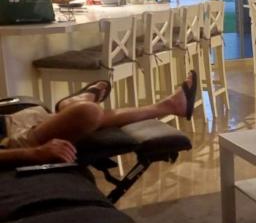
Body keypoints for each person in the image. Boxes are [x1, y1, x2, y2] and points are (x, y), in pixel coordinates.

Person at [0, 71, 198, 167]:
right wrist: (34, 153)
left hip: (11, 121)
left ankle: (74, 102)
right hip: (10, 142)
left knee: (83, 112)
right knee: (88, 112)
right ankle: (76, 101)